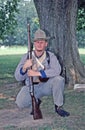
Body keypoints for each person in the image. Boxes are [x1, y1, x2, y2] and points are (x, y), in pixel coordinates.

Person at [14, 29, 70, 117]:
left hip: (46, 86)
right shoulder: (26, 57)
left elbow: (57, 70)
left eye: (42, 42)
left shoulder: (50, 56)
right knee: (20, 103)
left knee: (59, 79)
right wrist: (24, 68)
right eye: (37, 42)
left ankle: (58, 107)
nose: (39, 44)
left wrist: (38, 73)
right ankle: (36, 101)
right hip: (31, 87)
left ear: (46, 44)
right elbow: (18, 77)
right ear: (34, 44)